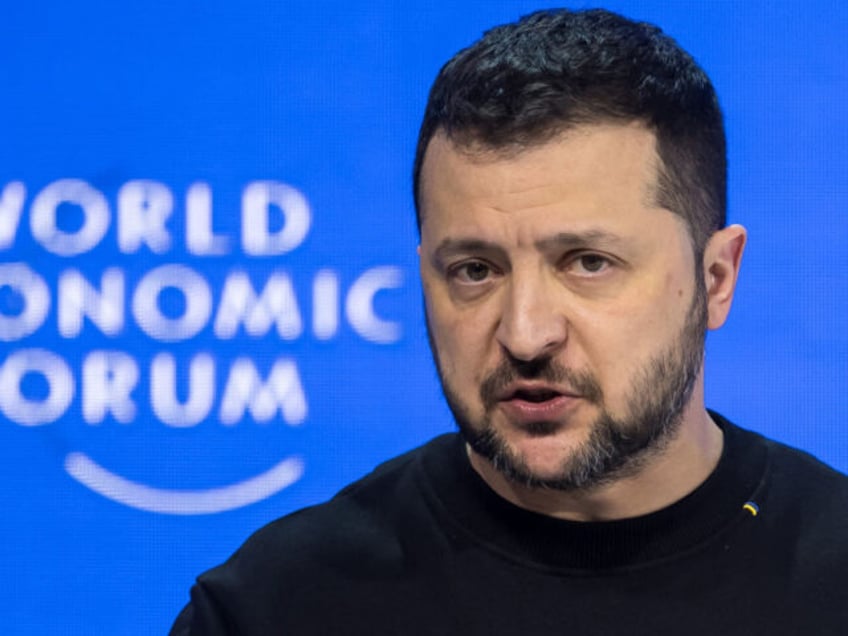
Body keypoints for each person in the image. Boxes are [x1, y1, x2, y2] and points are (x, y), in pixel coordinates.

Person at [170, 8, 848, 635]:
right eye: (474, 270)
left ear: (716, 279)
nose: (525, 334)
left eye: (588, 263)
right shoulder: (276, 608)